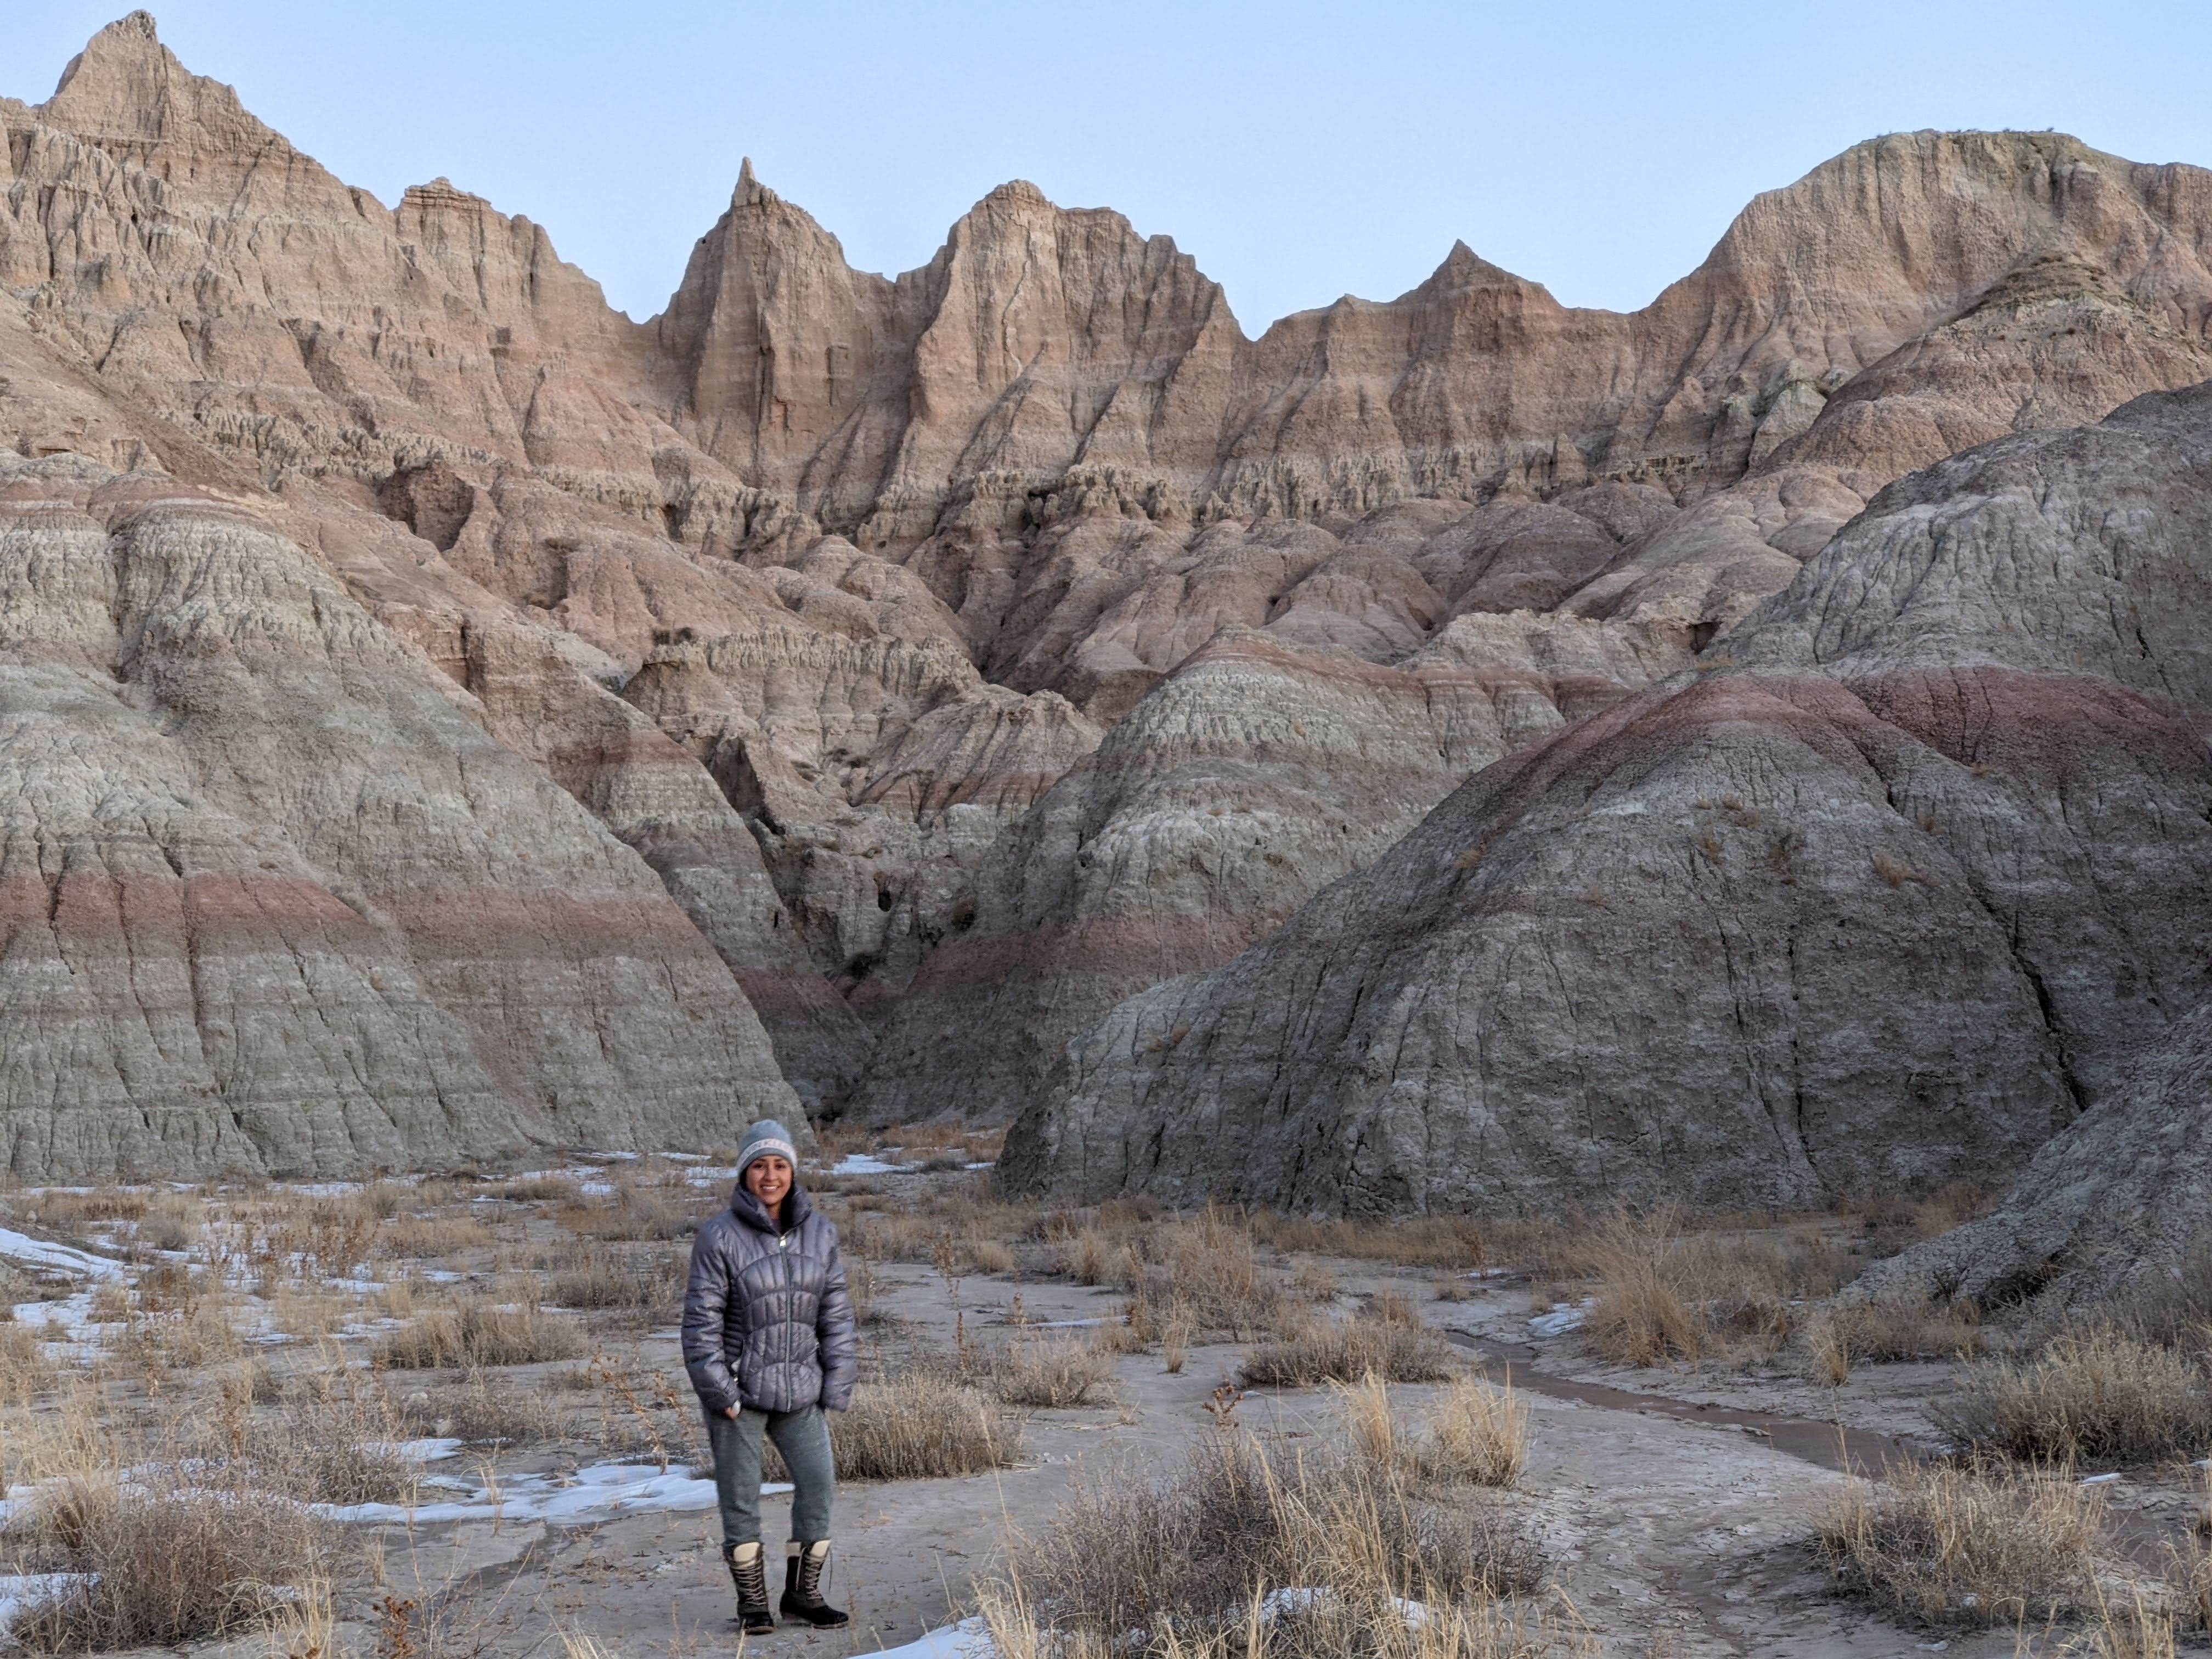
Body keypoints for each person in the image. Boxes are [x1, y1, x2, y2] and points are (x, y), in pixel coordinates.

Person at [681, 1120, 857, 1633]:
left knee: (819, 1485)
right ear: (744, 1173)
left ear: (793, 1171)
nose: (770, 1175)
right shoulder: (719, 1236)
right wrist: (722, 1392)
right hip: (741, 1393)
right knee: (740, 1499)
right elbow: (701, 1323)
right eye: (759, 1165)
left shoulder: (821, 1233)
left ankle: (802, 1596)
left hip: (802, 1390)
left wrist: (836, 1383)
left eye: (780, 1165)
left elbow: (837, 1315)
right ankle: (752, 1604)